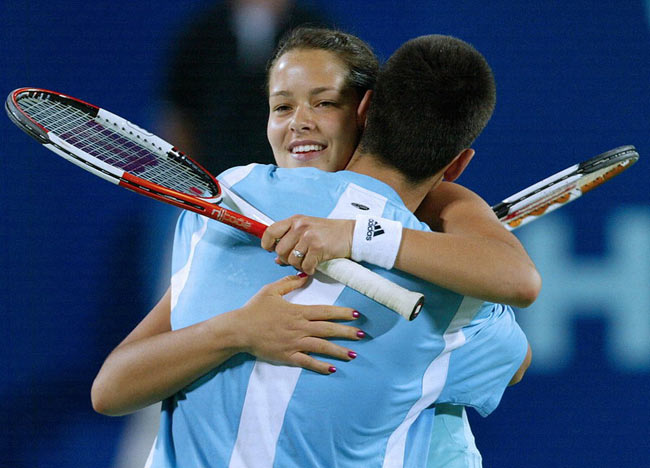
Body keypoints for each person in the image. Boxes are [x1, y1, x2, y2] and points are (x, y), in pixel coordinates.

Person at [93, 32, 538, 466]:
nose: (300, 121)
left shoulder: (229, 193)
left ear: (365, 114)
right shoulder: (452, 294)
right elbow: (516, 344)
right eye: (282, 105)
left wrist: (370, 230)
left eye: (324, 103)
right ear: (458, 164)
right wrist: (237, 331)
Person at [158, 0, 331, 176]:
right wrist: (186, 178)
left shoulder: (315, 29)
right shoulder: (202, 32)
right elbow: (179, 113)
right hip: (216, 177)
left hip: (293, 178)